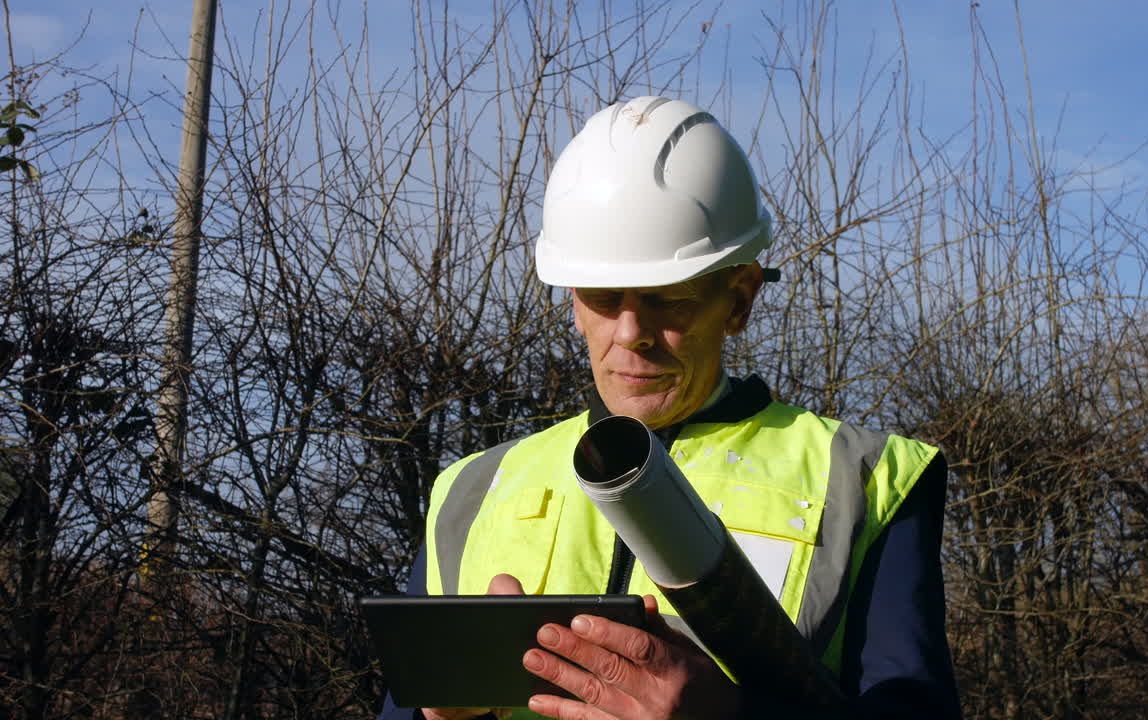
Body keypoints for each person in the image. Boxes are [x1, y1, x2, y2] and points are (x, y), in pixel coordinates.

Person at [378, 96, 961, 720]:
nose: (631, 333)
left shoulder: (866, 479)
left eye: (667, 300)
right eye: (604, 298)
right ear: (572, 298)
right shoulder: (470, 492)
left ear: (737, 300)